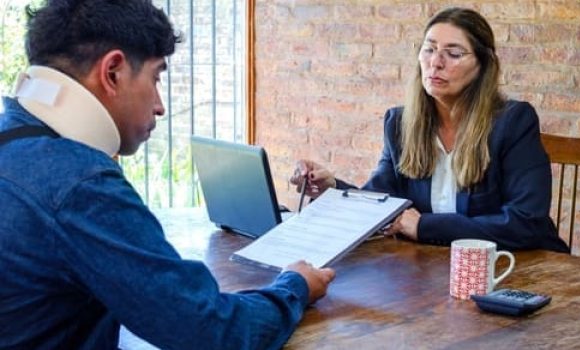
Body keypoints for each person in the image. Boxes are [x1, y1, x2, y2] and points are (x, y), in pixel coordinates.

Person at [0, 0, 334, 349]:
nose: (160, 104)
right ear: (112, 72)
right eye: (156, 77)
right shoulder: (79, 185)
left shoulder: (12, 141)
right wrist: (294, 286)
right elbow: (212, 332)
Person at [290, 7, 568, 253]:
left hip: (523, 269)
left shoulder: (513, 122)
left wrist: (425, 226)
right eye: (429, 49)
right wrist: (333, 189)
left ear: (483, 66)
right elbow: (380, 201)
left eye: (454, 53)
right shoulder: (399, 124)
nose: (436, 62)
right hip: (436, 269)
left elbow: (525, 222)